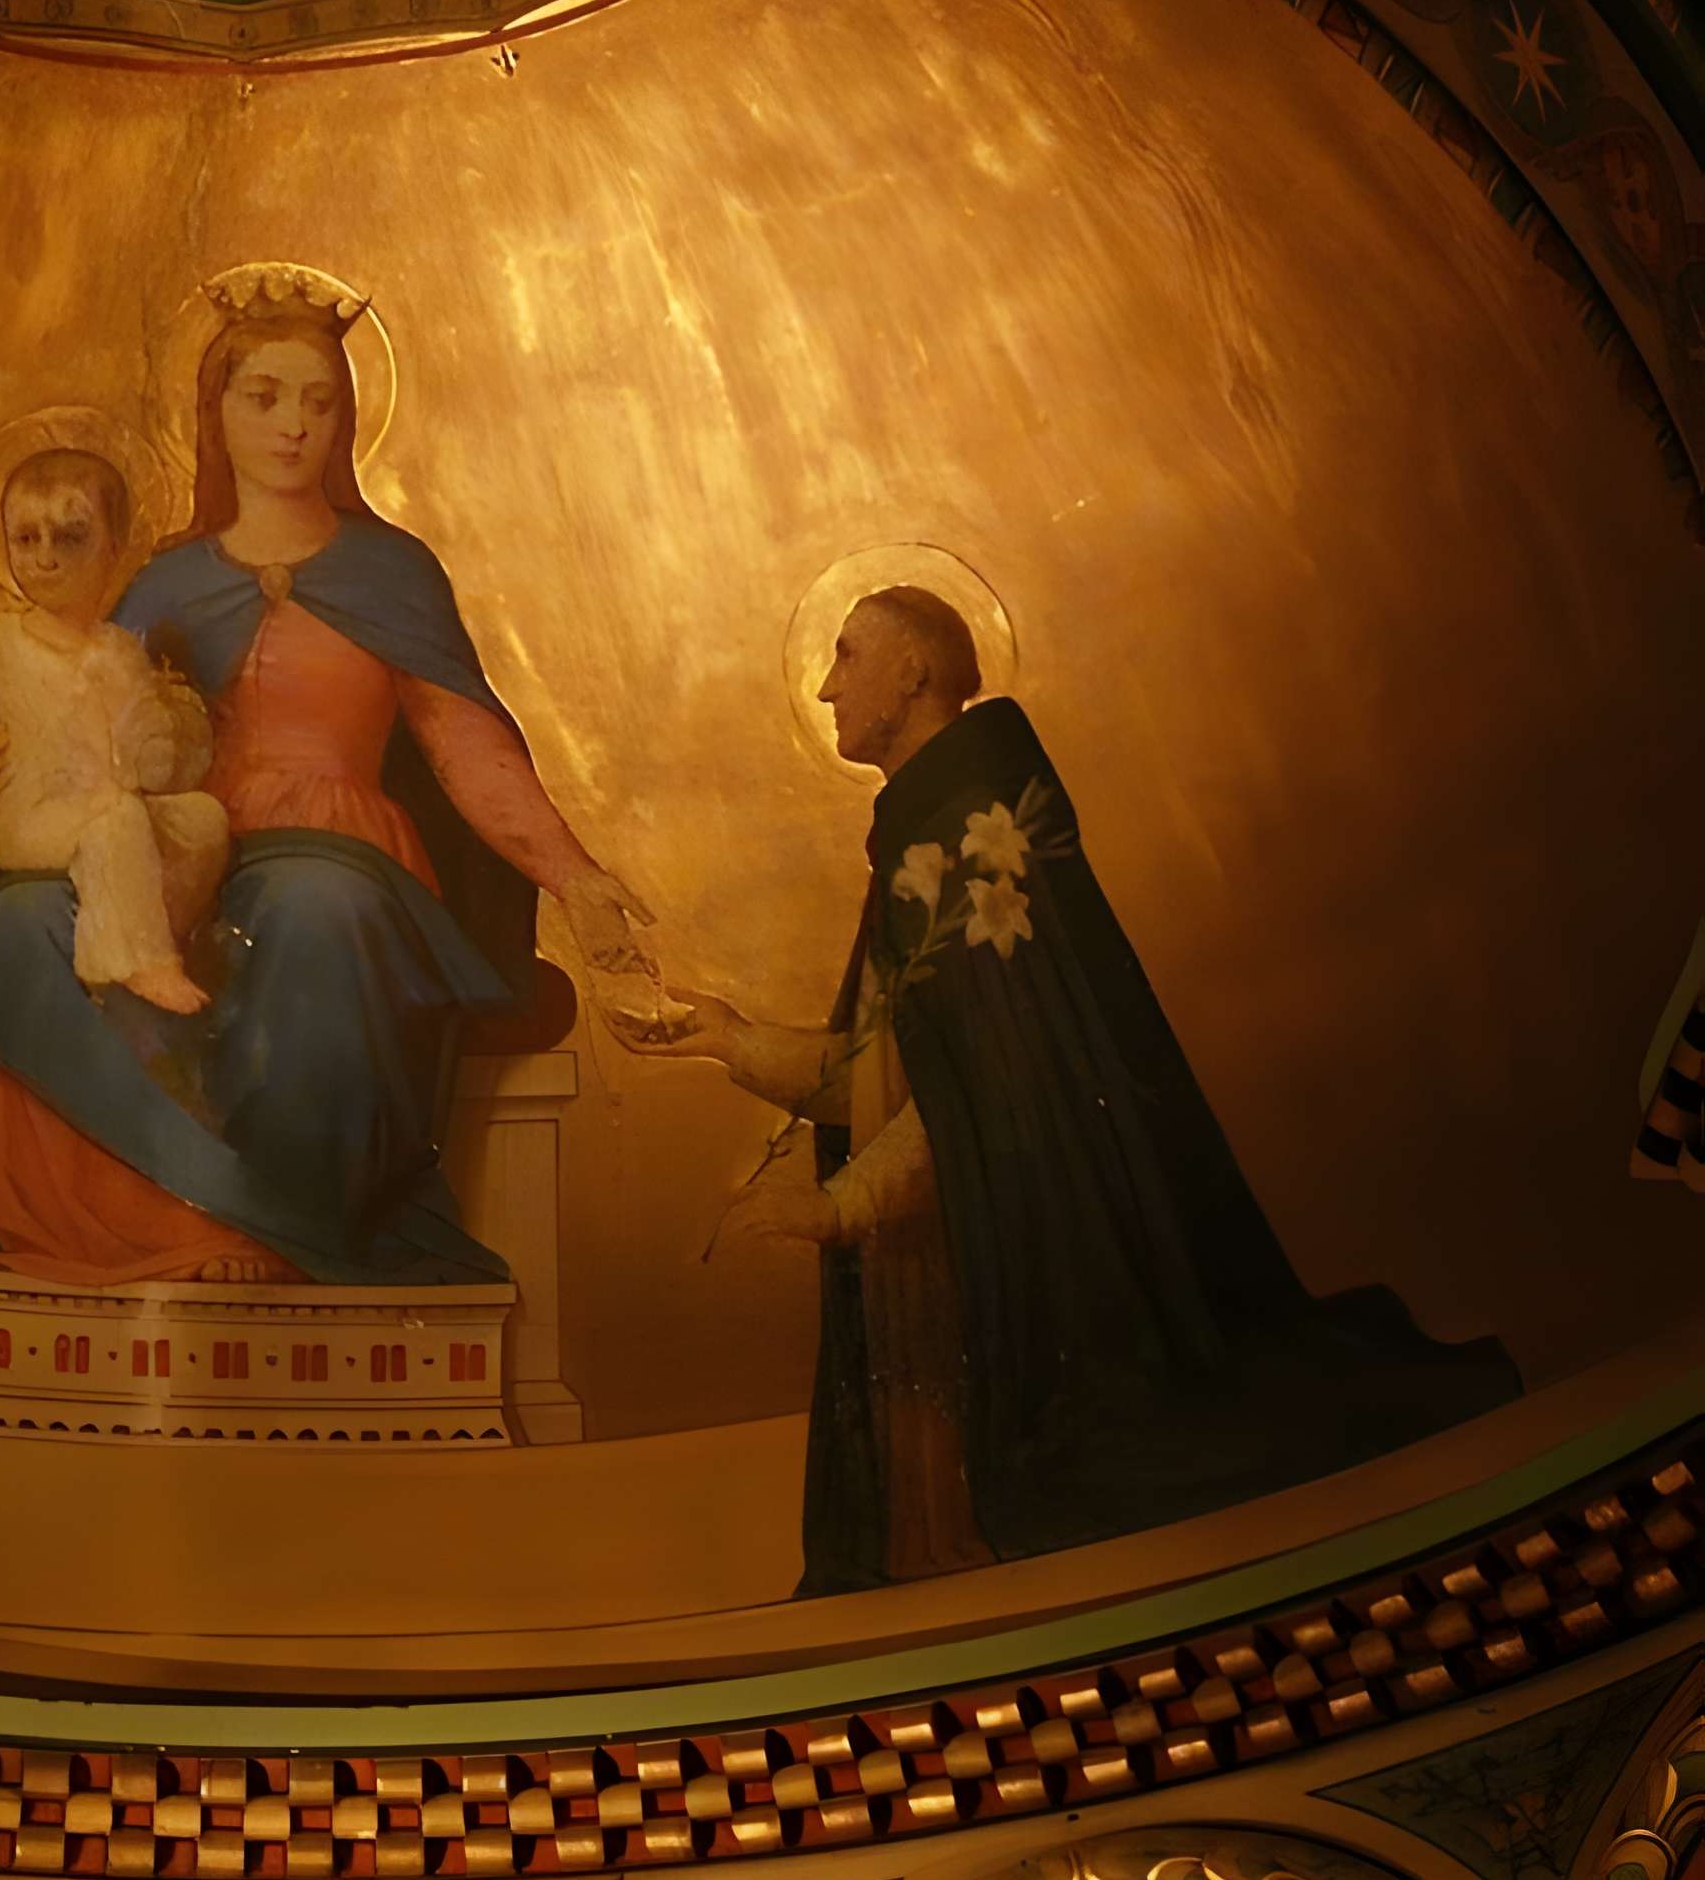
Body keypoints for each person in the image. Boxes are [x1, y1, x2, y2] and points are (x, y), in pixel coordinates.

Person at [617, 585, 1519, 1590]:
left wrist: (838, 1207)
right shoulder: (930, 836)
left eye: (847, 654)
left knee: (1103, 1475)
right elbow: (889, 1077)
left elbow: (986, 1104)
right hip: (952, 1295)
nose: (826, 688)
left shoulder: (966, 839)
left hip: (1018, 1302)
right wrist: (728, 1040)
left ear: (913, 672)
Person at [0, 270, 658, 1291]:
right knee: (18, 923)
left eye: (318, 401)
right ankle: (141, 1223)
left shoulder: (389, 573)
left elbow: (465, 746)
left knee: (312, 911)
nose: (292, 425)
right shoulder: (166, 581)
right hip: (184, 847)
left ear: (345, 420)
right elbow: (74, 722)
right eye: (262, 397)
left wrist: (576, 878)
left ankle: (284, 1229)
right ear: (215, 415)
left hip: (342, 852)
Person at [0, 447, 228, 1016]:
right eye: (27, 539)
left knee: (203, 820)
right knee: (119, 819)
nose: (45, 558)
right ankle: (135, 963)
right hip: (33, 818)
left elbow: (145, 748)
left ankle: (149, 921)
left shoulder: (121, 649)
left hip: (110, 812)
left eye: (69, 538)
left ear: (114, 547)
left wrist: (164, 739)